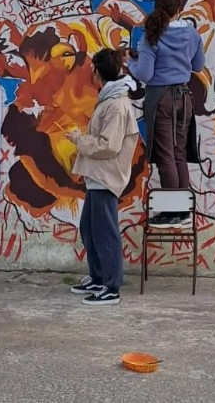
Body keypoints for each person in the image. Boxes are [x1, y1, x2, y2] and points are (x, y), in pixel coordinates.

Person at [127, 0, 205, 228]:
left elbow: (145, 73)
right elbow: (198, 66)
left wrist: (131, 61)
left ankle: (172, 213)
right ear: (179, 9)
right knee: (179, 154)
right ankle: (183, 211)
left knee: (165, 155)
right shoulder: (192, 34)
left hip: (161, 98)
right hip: (184, 97)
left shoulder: (152, 35)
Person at [67, 49, 139, 306]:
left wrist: (78, 140)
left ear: (97, 72)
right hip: (98, 176)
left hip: (107, 175)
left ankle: (111, 286)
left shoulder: (116, 105)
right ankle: (99, 277)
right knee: (90, 229)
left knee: (105, 233)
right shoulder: (110, 100)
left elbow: (108, 145)